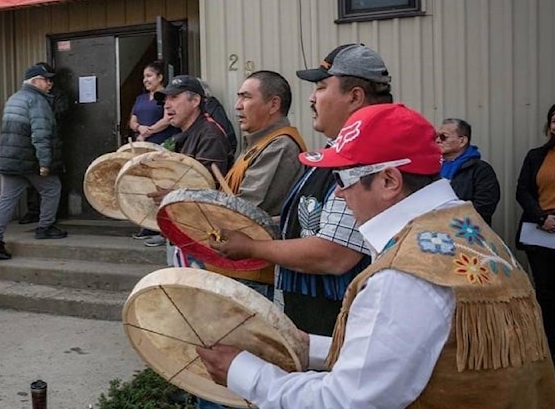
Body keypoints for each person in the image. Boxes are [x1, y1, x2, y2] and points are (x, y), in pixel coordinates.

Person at [199, 103, 555, 409]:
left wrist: (243, 372)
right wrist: (306, 346)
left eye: (343, 179)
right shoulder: (477, 238)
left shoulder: (404, 276)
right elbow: (426, 351)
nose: (339, 196)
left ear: (390, 181)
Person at [213, 44, 393, 337]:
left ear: (355, 96)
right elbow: (308, 222)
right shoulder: (340, 150)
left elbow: (334, 255)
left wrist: (250, 247)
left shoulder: (365, 156)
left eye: (321, 87)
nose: (311, 98)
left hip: (338, 325)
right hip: (315, 319)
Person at [184, 71, 306, 409]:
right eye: (236, 97)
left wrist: (189, 204)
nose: (237, 105)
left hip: (254, 272)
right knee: (232, 361)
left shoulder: (282, 146)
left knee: (252, 367)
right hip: (235, 269)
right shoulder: (259, 147)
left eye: (245, 97)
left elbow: (242, 213)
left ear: (273, 104)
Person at [0, 64, 67, 260]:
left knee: (6, 199)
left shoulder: (14, 98)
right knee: (52, 188)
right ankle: (45, 227)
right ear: (35, 81)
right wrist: (45, 163)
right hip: (29, 159)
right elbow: (40, 135)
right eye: (46, 79)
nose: (50, 83)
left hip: (11, 159)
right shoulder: (37, 101)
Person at [143, 75, 232, 249]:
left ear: (195, 100)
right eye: (166, 99)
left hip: (203, 234)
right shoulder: (186, 134)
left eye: (174, 97)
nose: (167, 105)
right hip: (186, 228)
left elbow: (207, 190)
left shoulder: (209, 135)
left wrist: (171, 195)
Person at [516, 98, 555, 355]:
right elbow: (522, 191)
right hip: (540, 233)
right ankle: (549, 347)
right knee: (545, 292)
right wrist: (541, 217)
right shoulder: (536, 155)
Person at [128, 60, 178, 239]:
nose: (145, 80)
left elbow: (167, 119)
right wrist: (139, 128)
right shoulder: (140, 99)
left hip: (161, 147)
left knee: (161, 185)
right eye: (144, 77)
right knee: (144, 185)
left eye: (149, 76)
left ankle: (161, 228)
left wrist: (148, 131)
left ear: (160, 77)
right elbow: (132, 120)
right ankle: (145, 225)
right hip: (142, 148)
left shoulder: (166, 96)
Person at [20, 62, 69, 225]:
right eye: (45, 79)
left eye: (49, 79)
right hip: (31, 144)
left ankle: (51, 218)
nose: (49, 82)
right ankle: (34, 212)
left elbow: (61, 113)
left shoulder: (58, 96)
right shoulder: (28, 98)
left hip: (51, 141)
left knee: (52, 180)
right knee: (32, 181)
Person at [437, 117, 501, 225]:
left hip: (465, 231)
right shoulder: (432, 167)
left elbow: (484, 207)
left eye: (443, 137)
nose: (437, 140)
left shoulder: (481, 170)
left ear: (462, 141)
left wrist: (449, 220)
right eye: (436, 136)